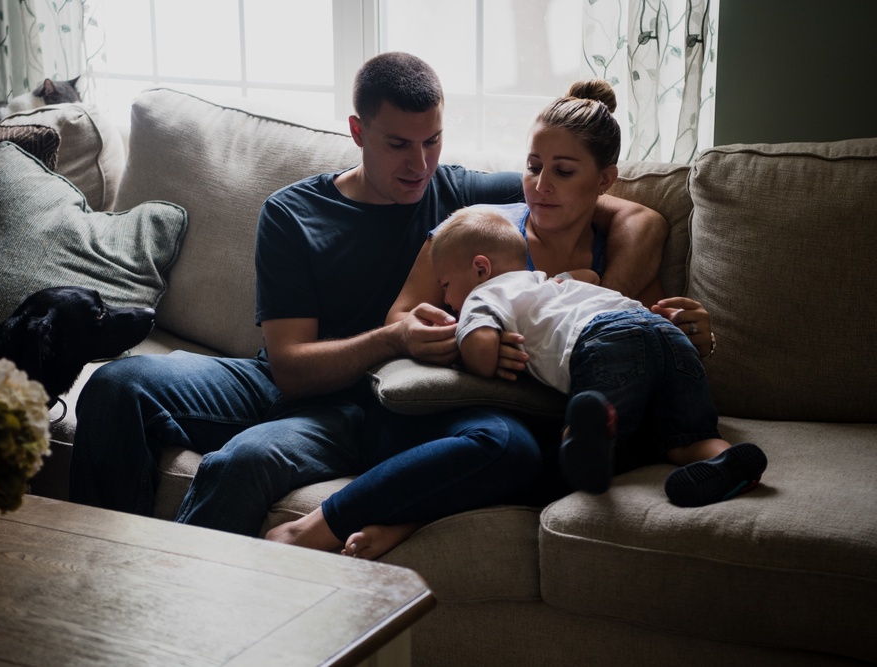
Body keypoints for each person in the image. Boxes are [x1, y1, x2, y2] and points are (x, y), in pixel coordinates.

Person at [70, 54, 667, 541]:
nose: (420, 164)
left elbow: (638, 218)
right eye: (399, 145)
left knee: (243, 463)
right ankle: (106, 573)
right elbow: (290, 369)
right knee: (116, 387)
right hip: (284, 382)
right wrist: (394, 336)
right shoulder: (293, 213)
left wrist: (602, 302)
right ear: (357, 132)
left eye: (432, 141)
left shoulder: (459, 193)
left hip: (380, 409)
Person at [303, 79, 726, 561]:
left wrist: (694, 334)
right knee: (511, 445)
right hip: (474, 409)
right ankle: (365, 517)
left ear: (605, 181)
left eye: (564, 172)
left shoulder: (620, 253)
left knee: (606, 445)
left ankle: (418, 512)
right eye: (532, 167)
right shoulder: (479, 234)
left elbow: (643, 337)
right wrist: (466, 343)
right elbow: (402, 318)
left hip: (561, 419)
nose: (541, 186)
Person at [430, 206, 768, 505]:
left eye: (445, 285)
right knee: (689, 439)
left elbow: (483, 350)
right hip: (667, 333)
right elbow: (589, 276)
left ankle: (591, 447)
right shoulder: (547, 282)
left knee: (592, 434)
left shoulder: (482, 296)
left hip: (606, 340)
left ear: (480, 269)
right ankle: (725, 461)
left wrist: (465, 343)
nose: (446, 301)